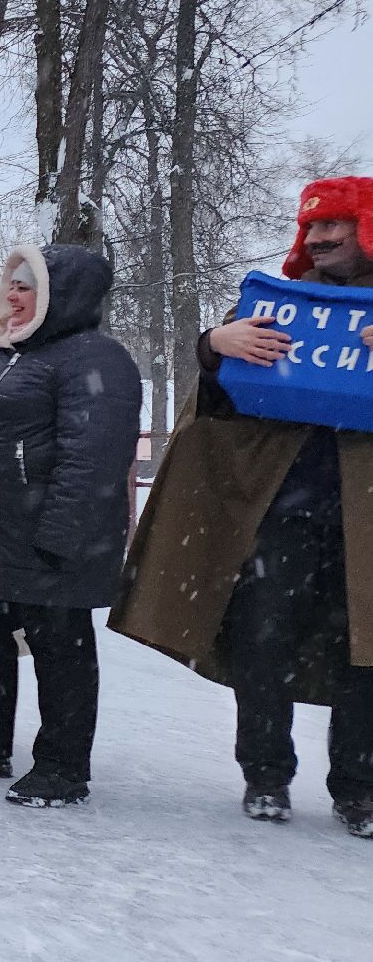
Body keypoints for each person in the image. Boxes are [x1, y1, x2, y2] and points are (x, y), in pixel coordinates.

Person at [113, 176, 373, 837]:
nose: (318, 238)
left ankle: (360, 789)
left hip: (366, 520)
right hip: (278, 510)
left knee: (366, 654)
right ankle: (265, 774)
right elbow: (223, 401)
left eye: (333, 225)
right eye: (310, 227)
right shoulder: (276, 307)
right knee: (263, 642)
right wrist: (214, 346)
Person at [0, 244, 139, 807]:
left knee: (60, 651)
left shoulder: (96, 358)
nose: (11, 296)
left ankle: (63, 768)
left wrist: (63, 534)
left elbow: (92, 458)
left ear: (63, 294)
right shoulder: (9, 356)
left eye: (26, 285)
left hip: (46, 537)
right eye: (10, 284)